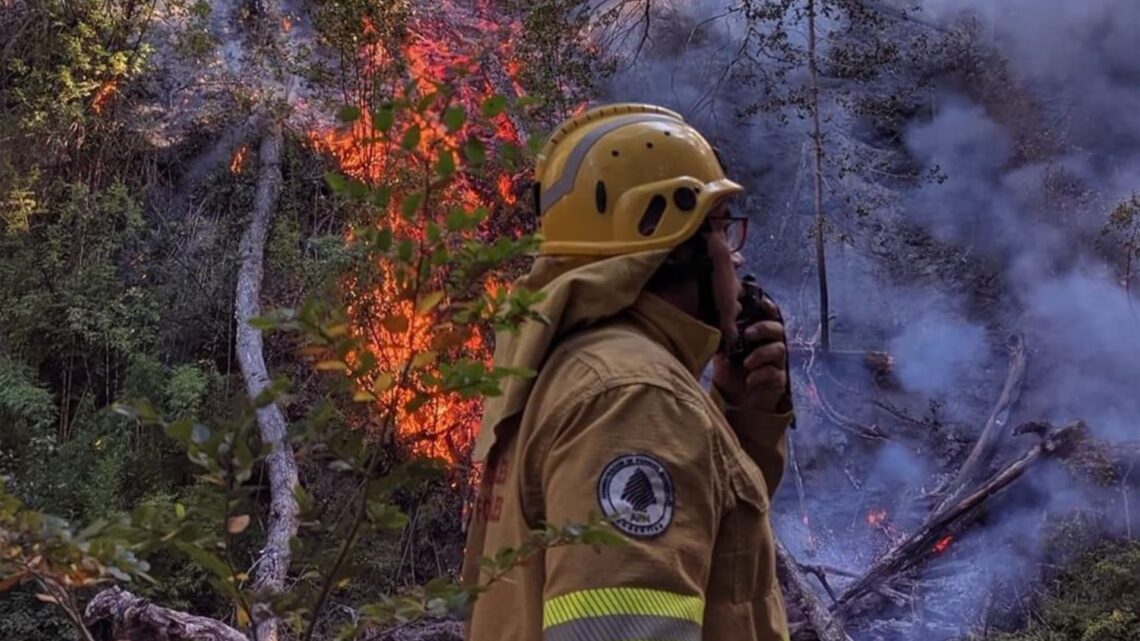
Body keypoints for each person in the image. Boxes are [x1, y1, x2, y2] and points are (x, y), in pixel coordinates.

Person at [462, 103, 794, 641]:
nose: (733, 259)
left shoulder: (581, 368)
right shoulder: (634, 397)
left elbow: (708, 545)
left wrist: (740, 414)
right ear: (676, 248)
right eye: (718, 229)